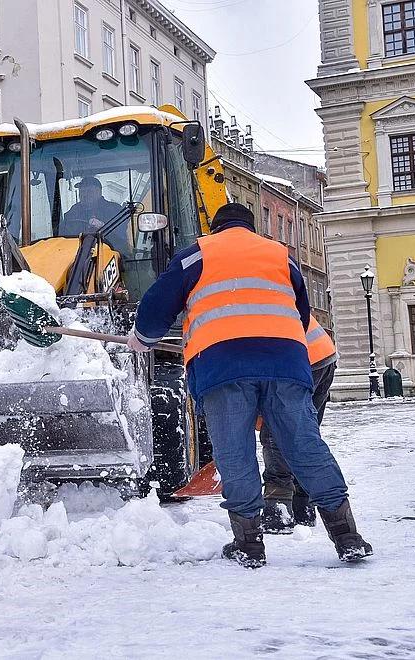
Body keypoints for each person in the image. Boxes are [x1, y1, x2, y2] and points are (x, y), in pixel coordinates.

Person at [127, 203, 372, 567]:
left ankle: (249, 545)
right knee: (305, 446)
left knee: (235, 452)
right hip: (285, 362)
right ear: (252, 228)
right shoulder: (281, 256)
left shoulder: (197, 254)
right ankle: (347, 536)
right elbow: (302, 312)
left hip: (224, 366)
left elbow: (157, 303)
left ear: (216, 227)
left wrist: (142, 338)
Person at [258, 316, 338, 534]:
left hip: (296, 360)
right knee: (304, 433)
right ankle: (304, 507)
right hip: (322, 354)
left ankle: (278, 509)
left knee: (276, 433)